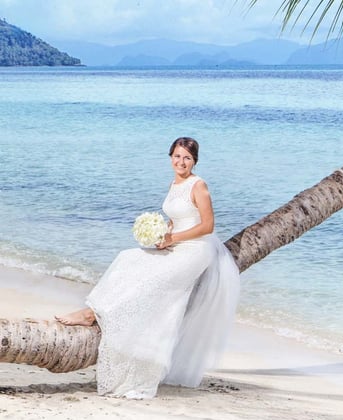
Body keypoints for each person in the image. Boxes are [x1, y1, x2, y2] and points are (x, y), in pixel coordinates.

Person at [56, 137, 240, 399]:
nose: (181, 162)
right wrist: (160, 236)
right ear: (170, 157)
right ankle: (94, 311)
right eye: (177, 156)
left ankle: (91, 316)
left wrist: (173, 239)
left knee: (151, 283)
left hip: (197, 250)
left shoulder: (198, 185)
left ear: (194, 161)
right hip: (176, 244)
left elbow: (207, 226)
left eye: (187, 158)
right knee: (128, 259)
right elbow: (176, 220)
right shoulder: (174, 184)